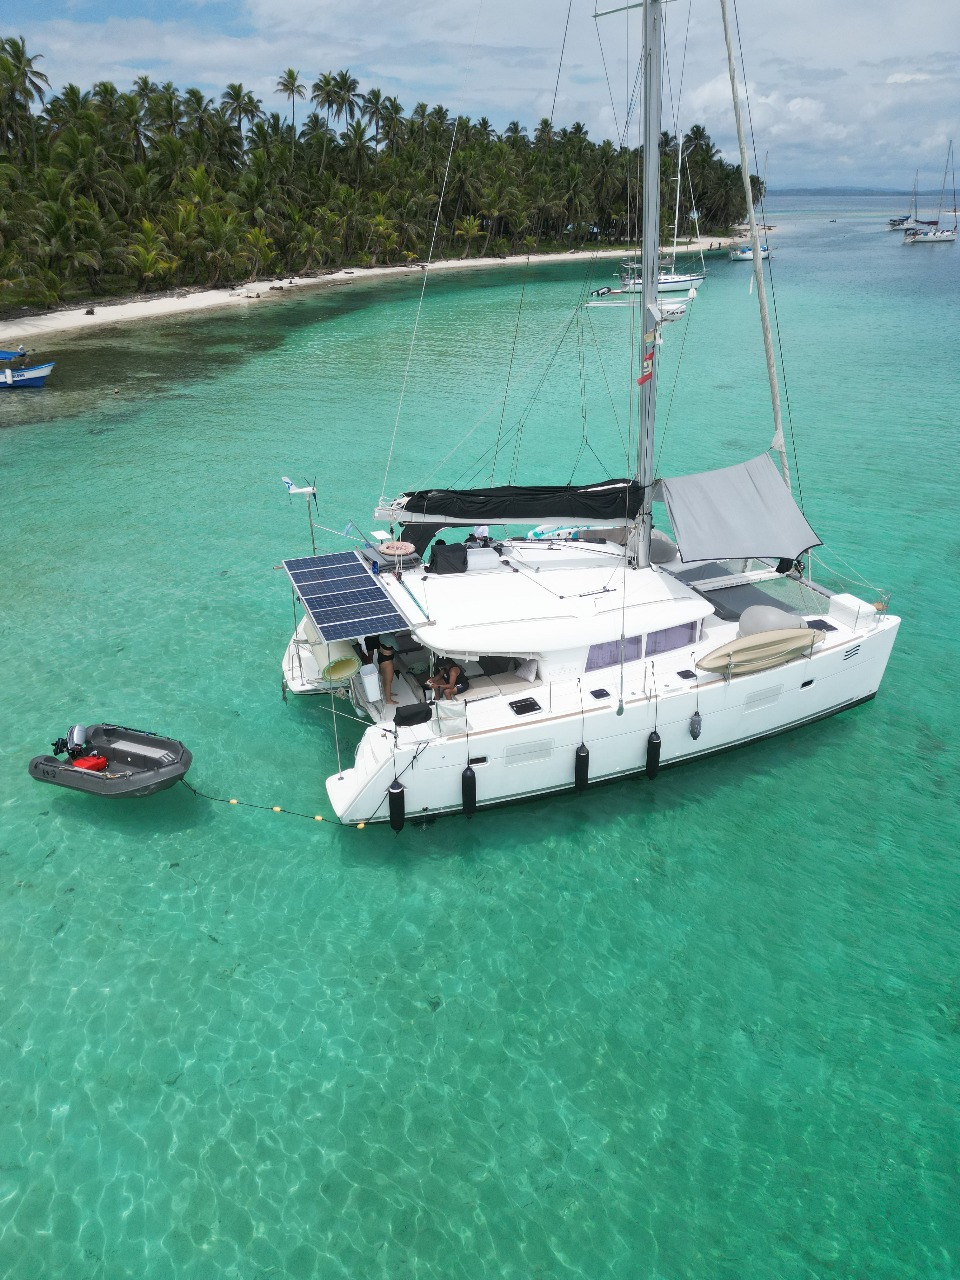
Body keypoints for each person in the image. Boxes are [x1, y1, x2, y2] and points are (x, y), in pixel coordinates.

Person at [361, 634, 399, 703]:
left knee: (385, 678)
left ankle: (387, 693)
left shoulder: (382, 635)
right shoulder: (391, 638)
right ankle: (388, 700)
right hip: (388, 661)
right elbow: (397, 648)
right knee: (388, 681)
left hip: (381, 657)